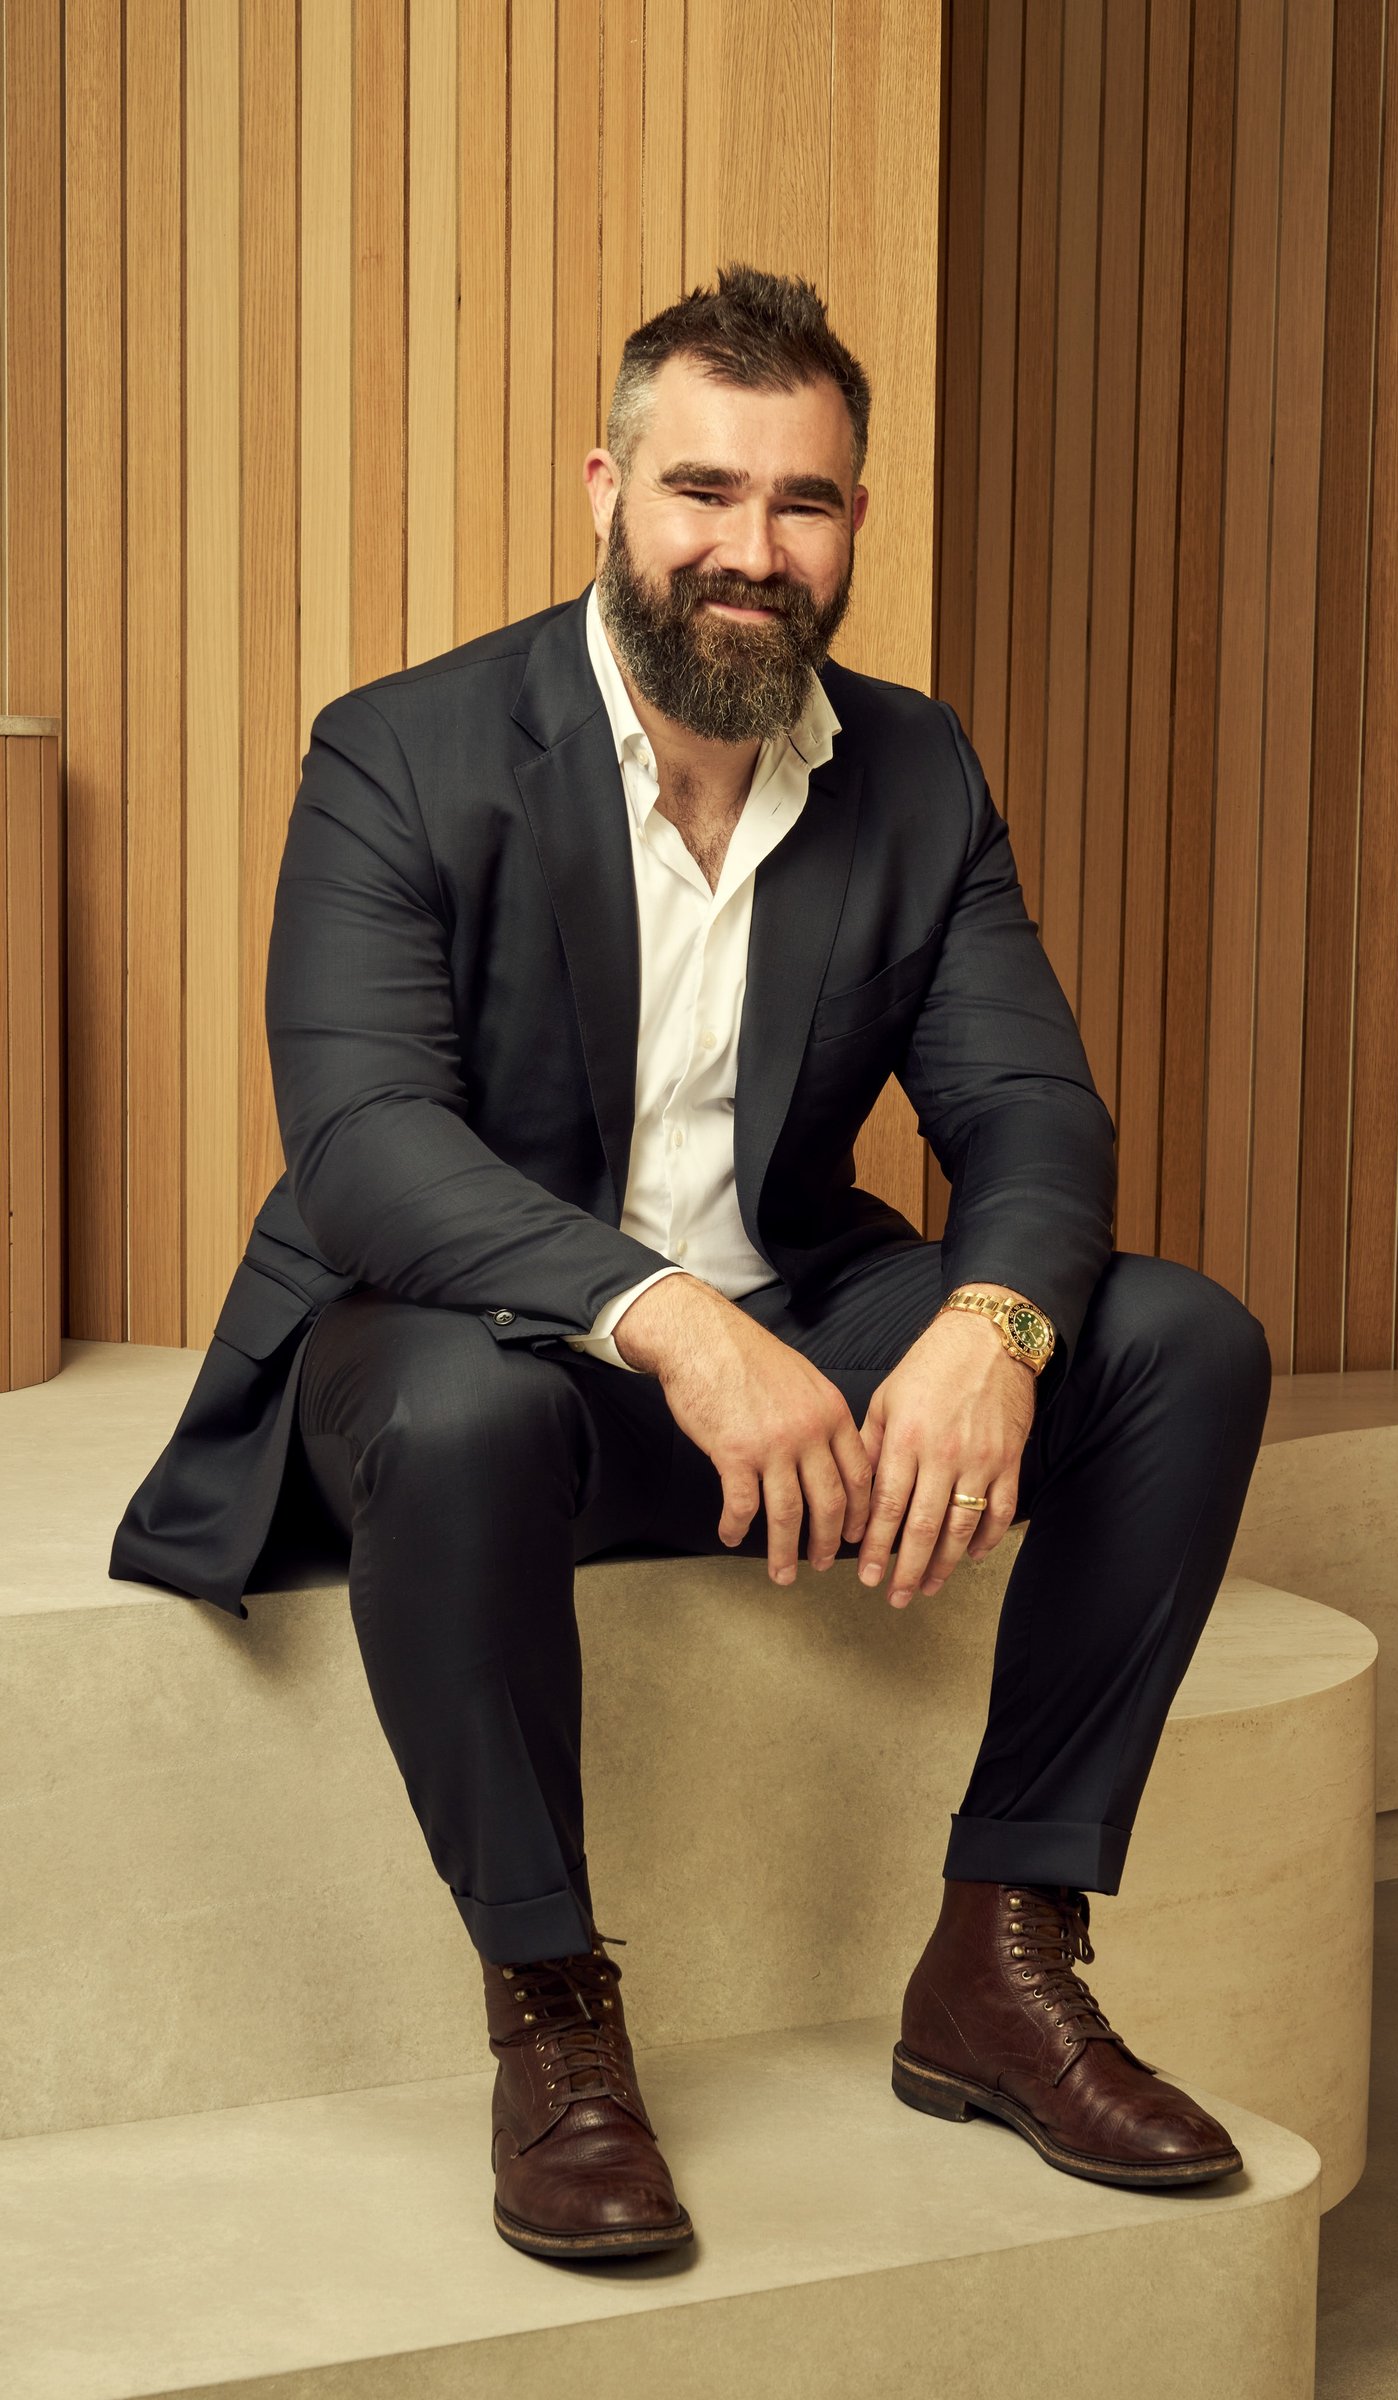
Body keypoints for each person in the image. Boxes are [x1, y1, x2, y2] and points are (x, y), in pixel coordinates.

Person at [109, 262, 1274, 2265]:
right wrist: (663, 1317)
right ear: (608, 491)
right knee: (461, 1413)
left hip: (802, 1328)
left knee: (1178, 1341)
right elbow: (367, 1146)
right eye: (704, 490)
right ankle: (553, 2018)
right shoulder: (402, 750)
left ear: (853, 523)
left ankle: (1002, 1959)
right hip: (485, 1342)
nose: (751, 548)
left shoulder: (912, 768)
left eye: (802, 501)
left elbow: (1030, 1112)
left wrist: (989, 1326)